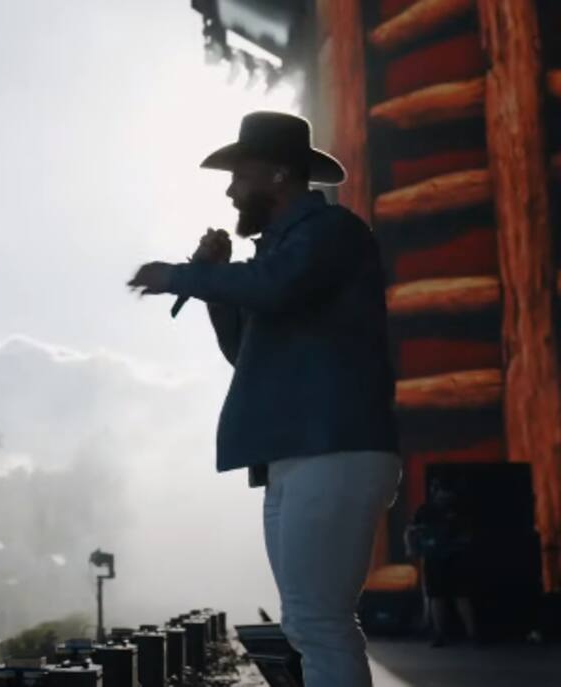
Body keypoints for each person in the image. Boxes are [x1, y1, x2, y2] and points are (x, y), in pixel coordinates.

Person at [128, 111, 402, 687]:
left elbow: (275, 290)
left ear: (279, 175)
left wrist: (181, 276)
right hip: (297, 453)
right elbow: (244, 352)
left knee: (319, 622)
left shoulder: (332, 236)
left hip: (334, 447)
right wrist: (212, 284)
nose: (230, 190)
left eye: (240, 176)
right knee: (309, 623)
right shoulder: (278, 260)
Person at [405, 479, 479, 647]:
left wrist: (462, 543)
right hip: (434, 559)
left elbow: (469, 533)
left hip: (456, 558)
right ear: (435, 491)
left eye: (448, 492)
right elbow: (411, 531)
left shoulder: (460, 509)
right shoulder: (425, 511)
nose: (445, 495)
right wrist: (411, 549)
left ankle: (472, 634)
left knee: (462, 596)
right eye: (441, 491)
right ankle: (439, 635)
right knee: (437, 597)